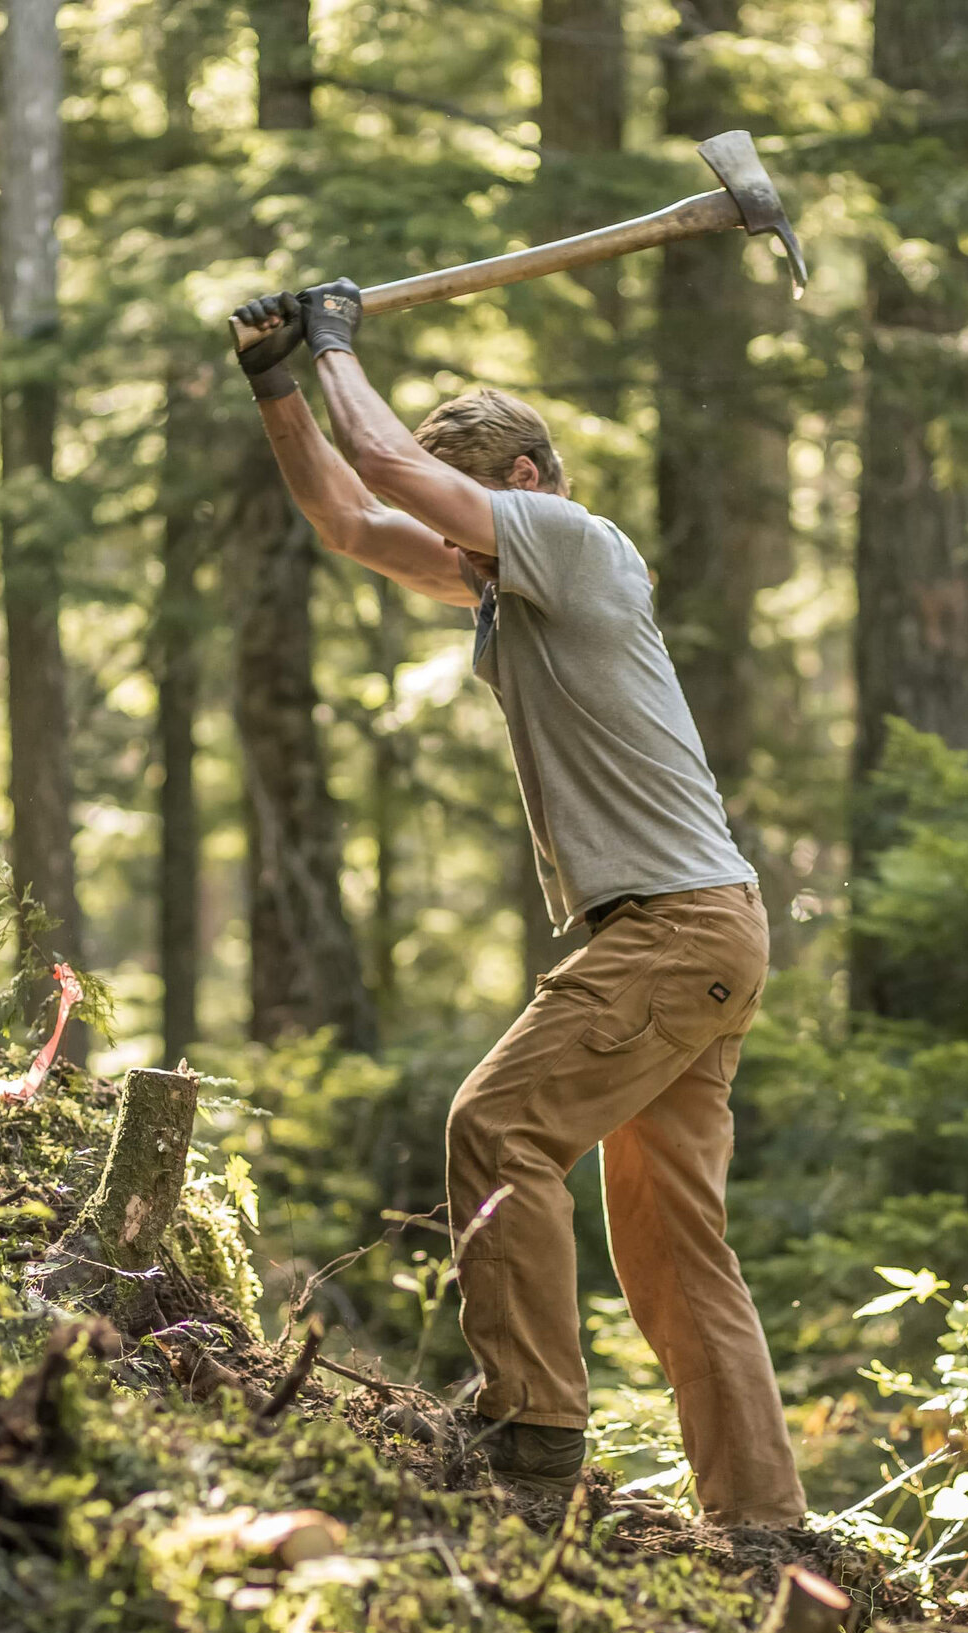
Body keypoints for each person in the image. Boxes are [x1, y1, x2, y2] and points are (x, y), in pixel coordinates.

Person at [229, 282, 804, 1527]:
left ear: (526, 477)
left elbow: (382, 456)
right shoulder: (507, 578)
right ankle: (761, 1525)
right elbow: (347, 508)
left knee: (496, 1129)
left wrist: (334, 345)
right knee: (671, 1247)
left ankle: (532, 1431)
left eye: (470, 508)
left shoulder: (576, 542)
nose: (453, 544)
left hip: (673, 928)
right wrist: (277, 380)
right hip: (693, 931)